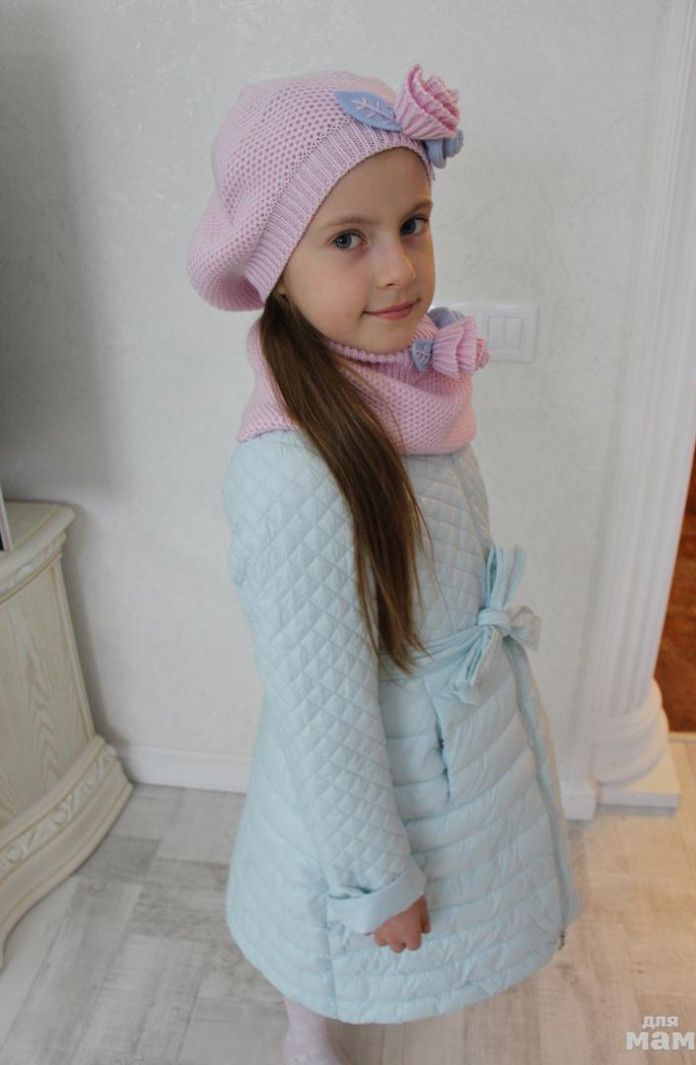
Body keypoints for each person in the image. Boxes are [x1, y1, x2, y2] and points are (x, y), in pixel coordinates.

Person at [187, 64, 582, 1065]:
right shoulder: (291, 476)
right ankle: (308, 1024)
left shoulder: (396, 382)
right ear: (276, 269)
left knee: (390, 903)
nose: (400, 268)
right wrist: (378, 880)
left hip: (437, 734)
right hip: (373, 758)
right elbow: (327, 719)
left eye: (412, 223)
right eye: (348, 239)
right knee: (322, 916)